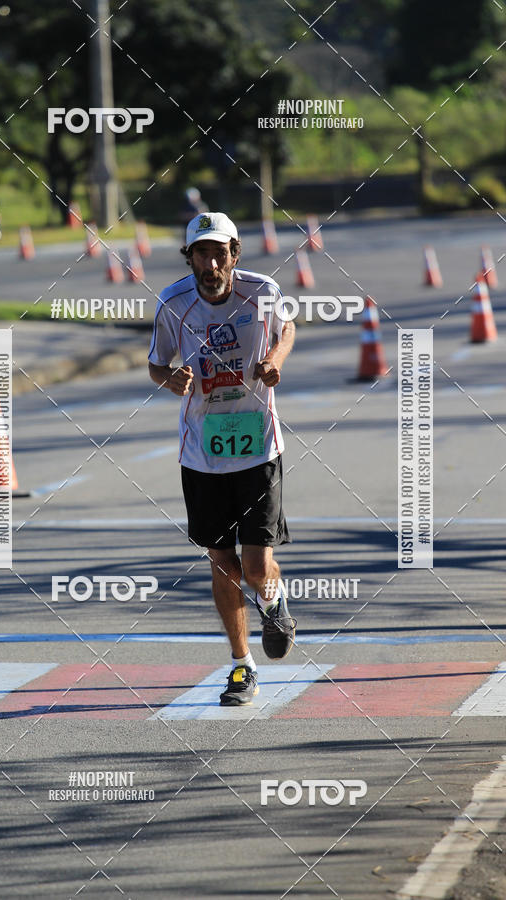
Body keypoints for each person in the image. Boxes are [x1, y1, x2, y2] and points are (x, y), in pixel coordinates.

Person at [148, 212, 296, 706]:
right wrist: (168, 379)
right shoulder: (174, 303)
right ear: (189, 258)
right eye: (200, 254)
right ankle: (241, 666)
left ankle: (273, 603)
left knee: (255, 566)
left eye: (219, 253)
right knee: (221, 561)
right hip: (202, 452)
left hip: (257, 446)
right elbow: (156, 362)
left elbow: (287, 329)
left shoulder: (262, 291)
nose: (210, 264)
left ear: (235, 253)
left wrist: (274, 362)